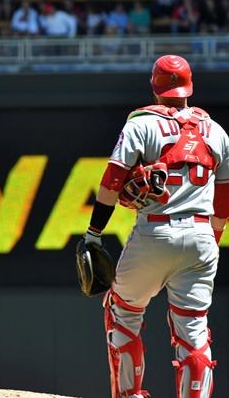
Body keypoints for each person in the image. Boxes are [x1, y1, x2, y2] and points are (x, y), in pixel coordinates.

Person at [81, 55, 229, 398]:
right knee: (193, 331)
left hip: (154, 232)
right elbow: (223, 204)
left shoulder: (141, 125)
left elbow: (110, 183)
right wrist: (212, 239)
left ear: (155, 86)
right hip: (202, 235)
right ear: (190, 86)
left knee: (121, 313)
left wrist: (93, 233)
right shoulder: (218, 132)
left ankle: (129, 395)